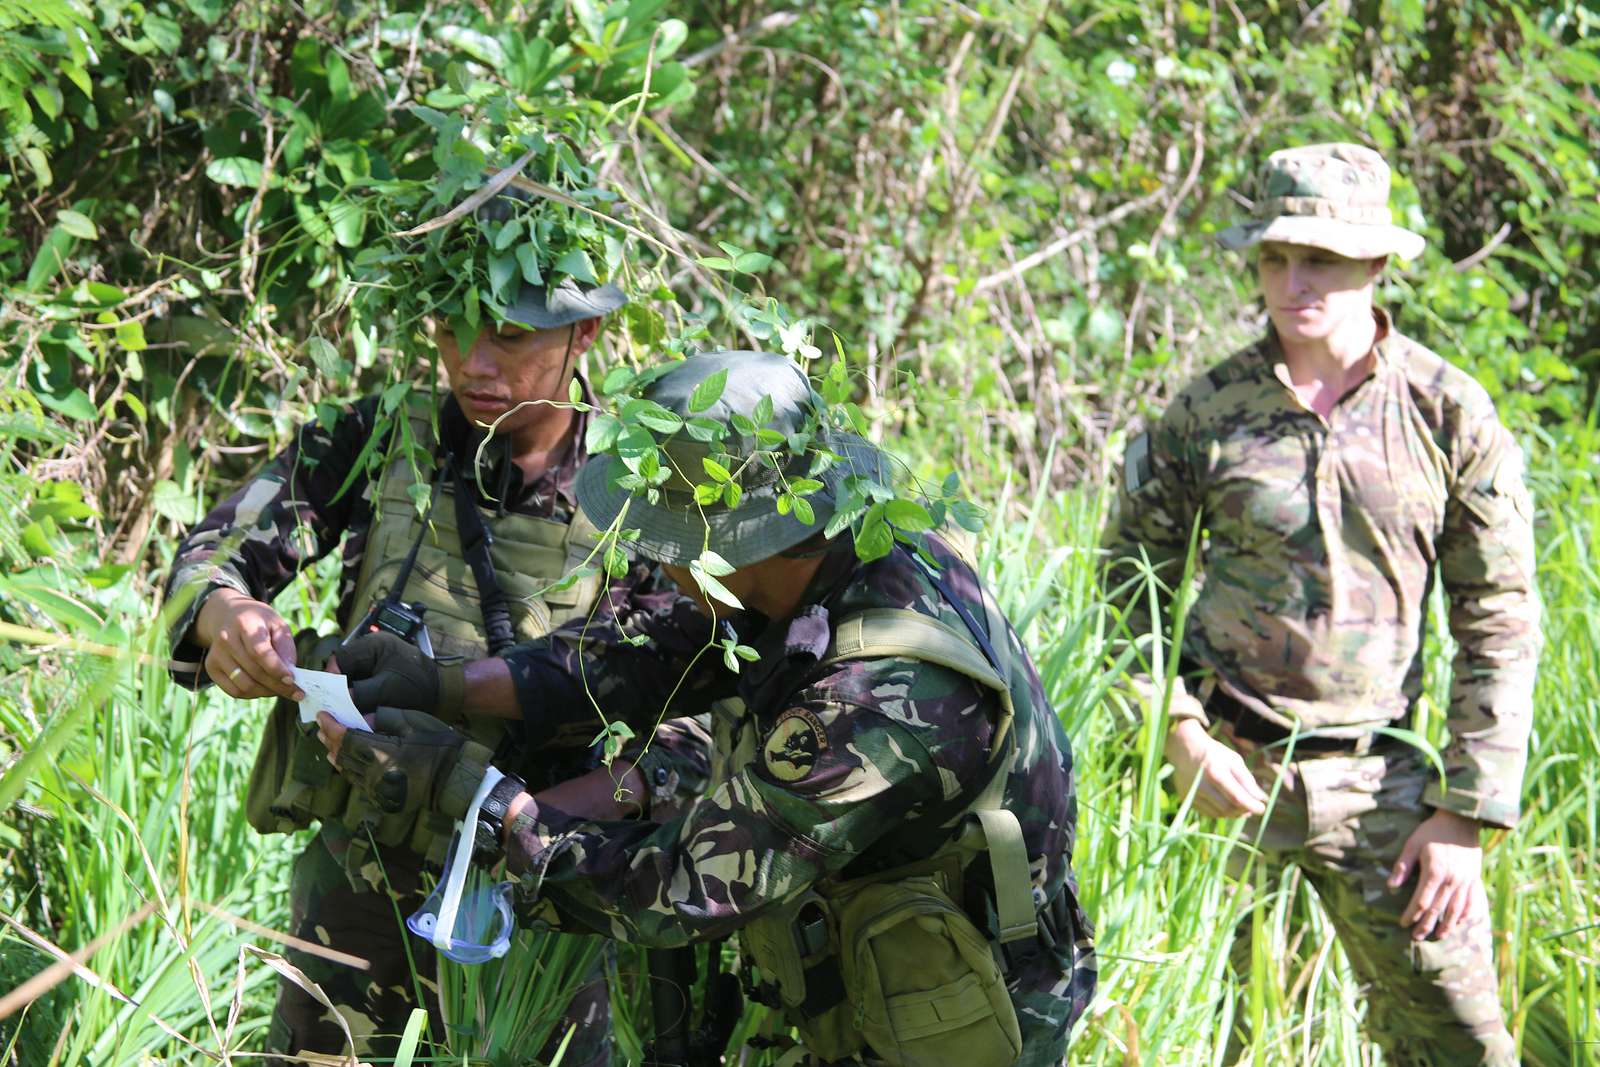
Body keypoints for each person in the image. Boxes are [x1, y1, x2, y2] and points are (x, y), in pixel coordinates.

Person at [314, 350, 1098, 1067]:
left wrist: (474, 796)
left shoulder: (877, 698)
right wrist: (443, 682)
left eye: (665, 536)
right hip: (877, 973)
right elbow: (649, 650)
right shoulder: (838, 548)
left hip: (952, 1024)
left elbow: (684, 889)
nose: (653, 559)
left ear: (736, 541)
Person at [160, 163, 697, 1062]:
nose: (472, 365)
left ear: (587, 332)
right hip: (355, 893)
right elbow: (208, 559)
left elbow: (691, 720)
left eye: (511, 334)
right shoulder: (379, 439)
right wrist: (232, 619)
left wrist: (524, 816)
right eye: (449, 330)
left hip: (541, 900)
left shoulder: (645, 488)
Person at [1102, 143, 1540, 1064]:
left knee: (1462, 1044)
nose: (1293, 281)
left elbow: (1498, 611)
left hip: (1386, 783)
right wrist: (1175, 732)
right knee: (1185, 1035)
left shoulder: (1446, 412)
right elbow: (1124, 589)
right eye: (1273, 257)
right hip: (1220, 778)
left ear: (1377, 265)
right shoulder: (1207, 412)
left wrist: (1465, 812)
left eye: (1322, 259)